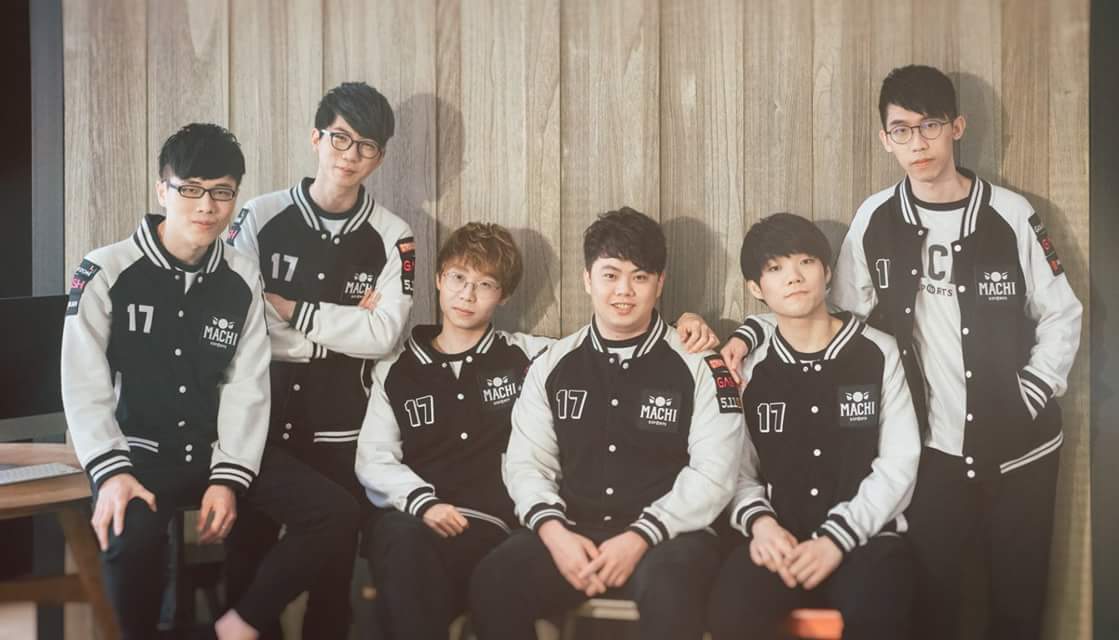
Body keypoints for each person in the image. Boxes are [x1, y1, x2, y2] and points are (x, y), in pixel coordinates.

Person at [724, 64, 1083, 640]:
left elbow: (1062, 313)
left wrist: (1032, 392)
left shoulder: (1011, 215)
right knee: (932, 609)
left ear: (957, 127)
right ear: (885, 139)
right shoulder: (876, 218)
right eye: (901, 130)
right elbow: (827, 314)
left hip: (1022, 449)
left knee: (1018, 610)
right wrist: (751, 332)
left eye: (930, 126)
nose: (917, 143)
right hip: (932, 453)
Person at [61, 123, 357, 640]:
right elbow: (82, 381)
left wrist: (229, 476)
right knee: (129, 539)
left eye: (222, 192)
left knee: (335, 513)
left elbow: (247, 384)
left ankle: (236, 627)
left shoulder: (241, 276)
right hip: (137, 454)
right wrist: (110, 472)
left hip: (216, 448)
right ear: (163, 190)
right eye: (191, 189)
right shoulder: (105, 270)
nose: (206, 206)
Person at [357, 222, 721, 639]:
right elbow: (374, 459)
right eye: (458, 278)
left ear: (503, 295)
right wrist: (422, 502)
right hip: (416, 522)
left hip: (490, 526)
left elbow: (615, 345)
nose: (467, 294)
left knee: (483, 579)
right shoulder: (395, 369)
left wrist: (684, 325)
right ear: (438, 279)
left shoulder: (530, 356)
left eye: (485, 284)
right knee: (406, 547)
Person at [469, 207, 744, 640]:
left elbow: (715, 472)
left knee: (670, 592)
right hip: (571, 531)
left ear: (660, 283)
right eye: (610, 275)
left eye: (639, 277)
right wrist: (555, 534)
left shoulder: (699, 364)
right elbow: (527, 463)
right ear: (587, 279)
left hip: (671, 537)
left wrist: (640, 536)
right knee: (494, 582)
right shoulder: (552, 364)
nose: (624, 291)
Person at [225, 81, 414, 639]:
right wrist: (340, 327)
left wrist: (291, 308)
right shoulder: (259, 215)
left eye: (366, 146)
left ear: (379, 157)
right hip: (259, 418)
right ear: (316, 138)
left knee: (332, 584)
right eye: (340, 138)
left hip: (341, 425)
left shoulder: (393, 235)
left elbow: (384, 334)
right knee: (247, 561)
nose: (350, 155)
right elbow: (239, 318)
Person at [708, 213, 920, 640]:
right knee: (730, 613)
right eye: (775, 268)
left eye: (805, 261)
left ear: (826, 271)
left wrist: (836, 538)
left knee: (881, 612)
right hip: (777, 537)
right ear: (756, 288)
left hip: (866, 540)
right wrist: (762, 525)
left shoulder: (879, 352)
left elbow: (899, 463)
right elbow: (737, 468)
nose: (793, 277)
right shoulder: (747, 368)